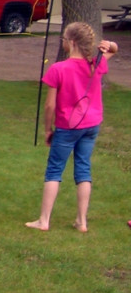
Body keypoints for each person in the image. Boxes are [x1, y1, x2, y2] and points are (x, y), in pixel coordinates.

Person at [25, 22, 119, 232]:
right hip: (91, 125)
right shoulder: (95, 64)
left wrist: (48, 129)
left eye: (64, 40)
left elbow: (50, 104)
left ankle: (44, 220)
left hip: (68, 127)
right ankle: (81, 221)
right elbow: (114, 50)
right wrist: (110, 45)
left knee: (54, 170)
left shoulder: (59, 68)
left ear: (72, 42)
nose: (63, 43)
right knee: (83, 169)